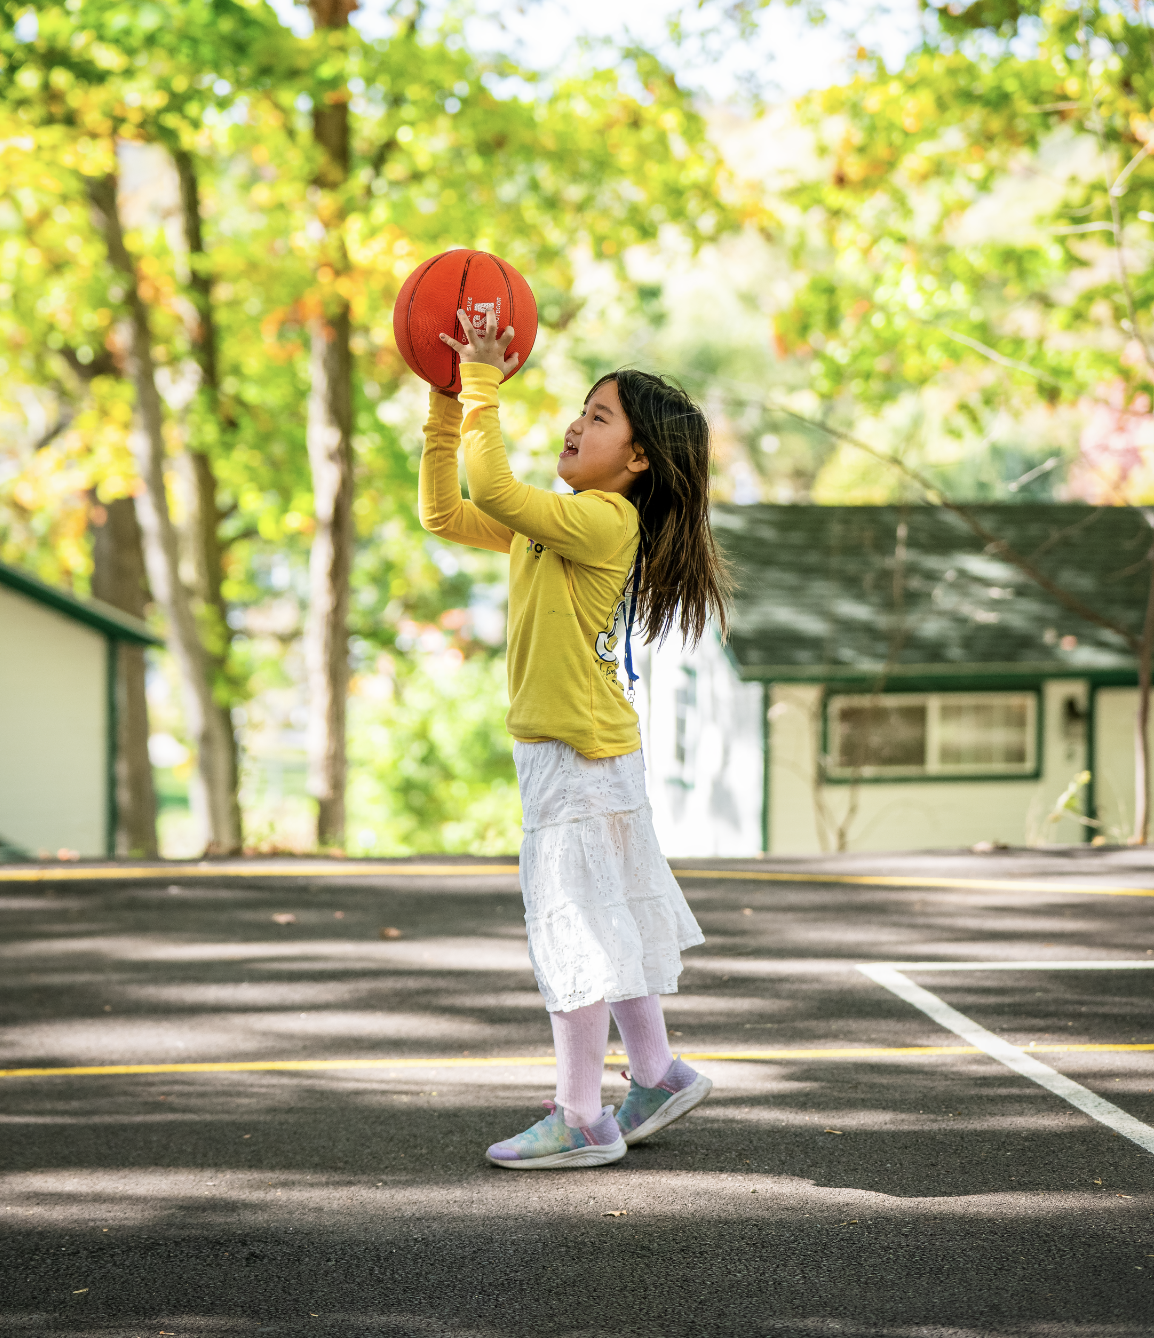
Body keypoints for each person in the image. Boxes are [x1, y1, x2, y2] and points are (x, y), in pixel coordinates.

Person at [418, 308, 732, 1170]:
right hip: (596, 751)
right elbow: (447, 510)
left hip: (574, 758)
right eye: (582, 409)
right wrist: (449, 407)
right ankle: (658, 1074)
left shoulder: (601, 521)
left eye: (600, 417)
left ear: (637, 459)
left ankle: (583, 1117)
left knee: (576, 931)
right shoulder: (557, 521)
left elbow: (495, 490)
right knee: (612, 918)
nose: (575, 422)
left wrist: (479, 386)